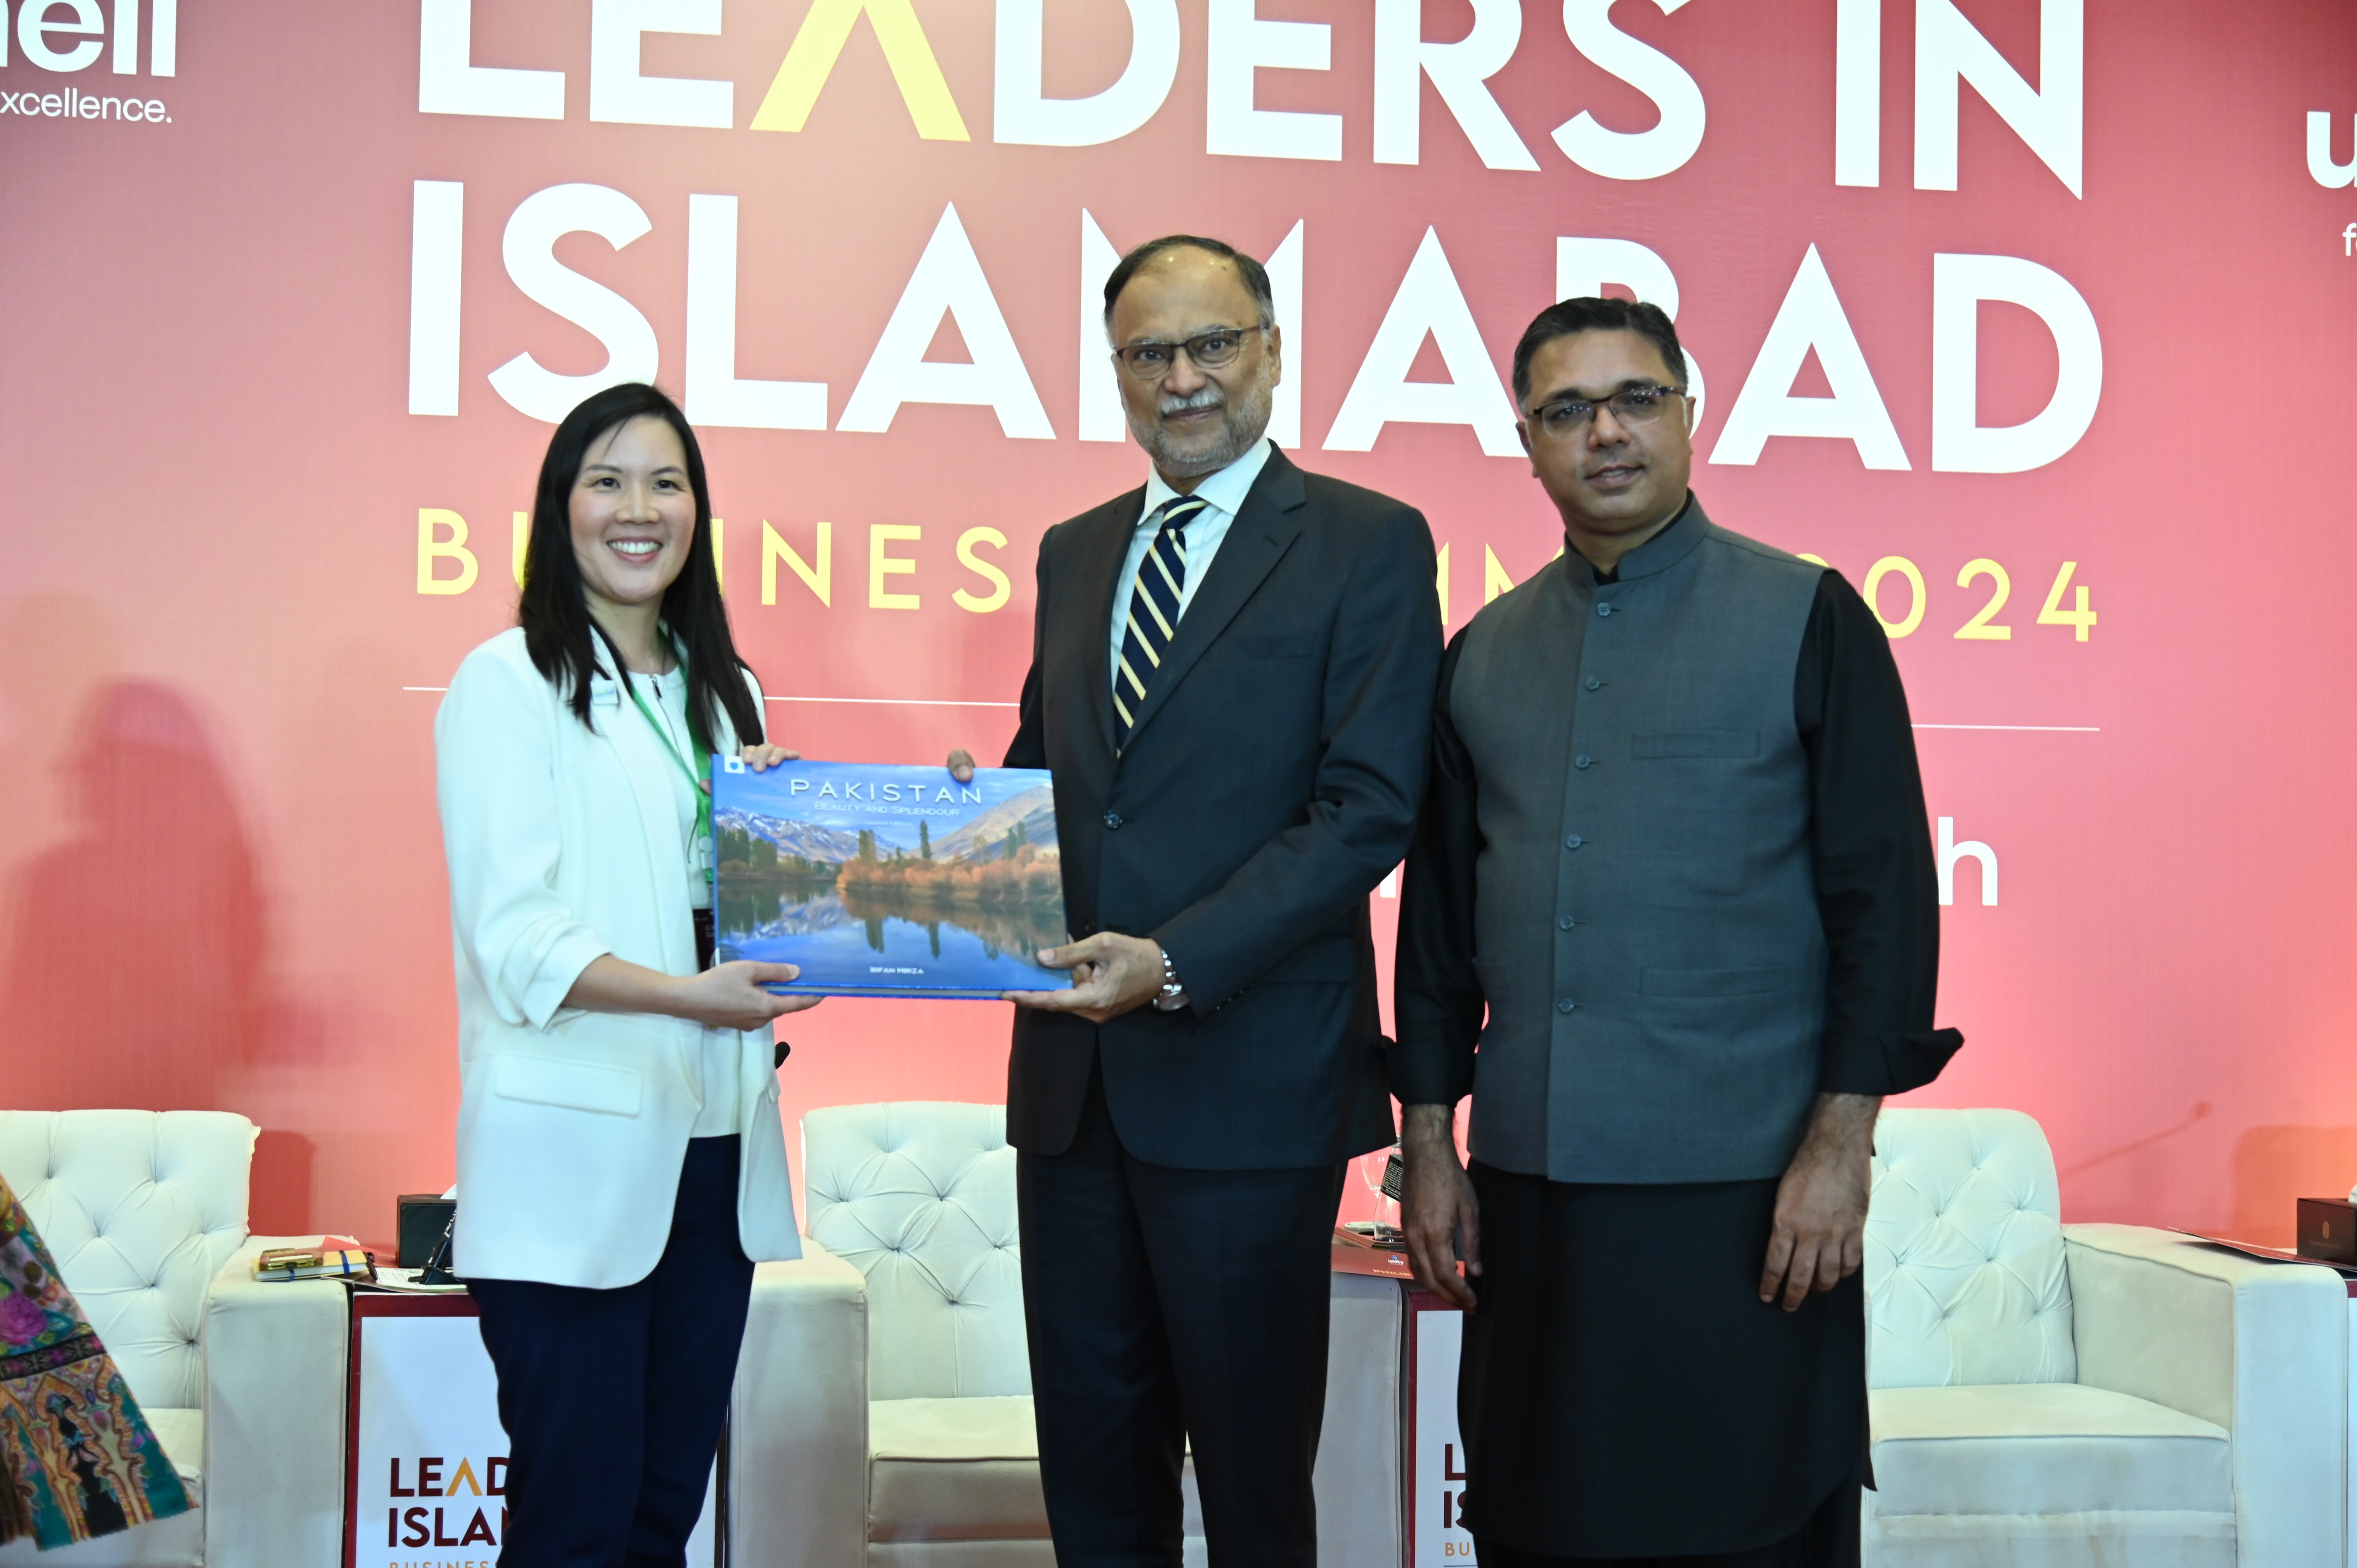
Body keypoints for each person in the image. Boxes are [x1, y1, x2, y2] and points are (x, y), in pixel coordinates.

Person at [1391, 298, 1965, 1568]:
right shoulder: (1479, 652)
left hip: (1750, 1199)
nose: (1605, 432)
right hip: (1533, 1199)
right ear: (1527, 441)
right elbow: (1435, 934)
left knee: (1750, 1527)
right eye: (1566, 410)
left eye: (1636, 398)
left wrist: (1841, 1146)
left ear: (1691, 415)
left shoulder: (1811, 617)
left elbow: (1885, 909)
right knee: (1541, 1523)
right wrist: (1429, 1145)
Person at [977, 235, 1442, 1568]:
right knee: (1094, 1475)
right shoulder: (1076, 551)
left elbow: (1367, 809)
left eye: (1211, 344)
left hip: (1246, 1085)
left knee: (1249, 1483)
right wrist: (931, 826)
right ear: (1116, 370)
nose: (1181, 379)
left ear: (1271, 350)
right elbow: (1047, 783)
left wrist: (1175, 959)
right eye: (1147, 353)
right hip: (1071, 1093)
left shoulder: (1366, 542)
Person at [433, 381, 819, 1568]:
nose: (638, 509)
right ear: (561, 510)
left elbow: (731, 918)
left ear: (698, 508)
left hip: (716, 1169)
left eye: (666, 481)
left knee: (661, 1522)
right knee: (577, 1524)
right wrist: (684, 997)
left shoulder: (726, 694)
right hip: (572, 1176)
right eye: (606, 481)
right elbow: (517, 940)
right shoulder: (508, 681)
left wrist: (831, 849)